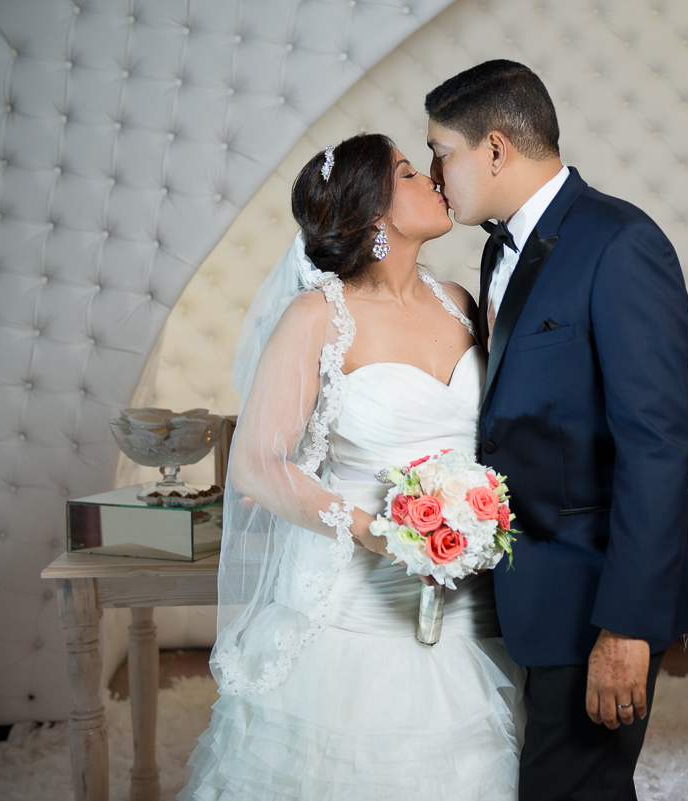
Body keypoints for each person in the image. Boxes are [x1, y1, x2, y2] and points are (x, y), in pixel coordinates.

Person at [177, 133, 525, 801]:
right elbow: (256, 465)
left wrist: (472, 520)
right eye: (406, 173)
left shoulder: (461, 301)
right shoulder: (317, 318)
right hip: (357, 601)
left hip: (468, 587)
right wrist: (376, 530)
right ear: (376, 214)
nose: (432, 178)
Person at [425, 61, 688, 801]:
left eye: (442, 152)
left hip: (599, 590)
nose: (436, 176)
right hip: (529, 583)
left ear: (494, 150)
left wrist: (625, 626)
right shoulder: (499, 249)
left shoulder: (621, 244)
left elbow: (659, 446)